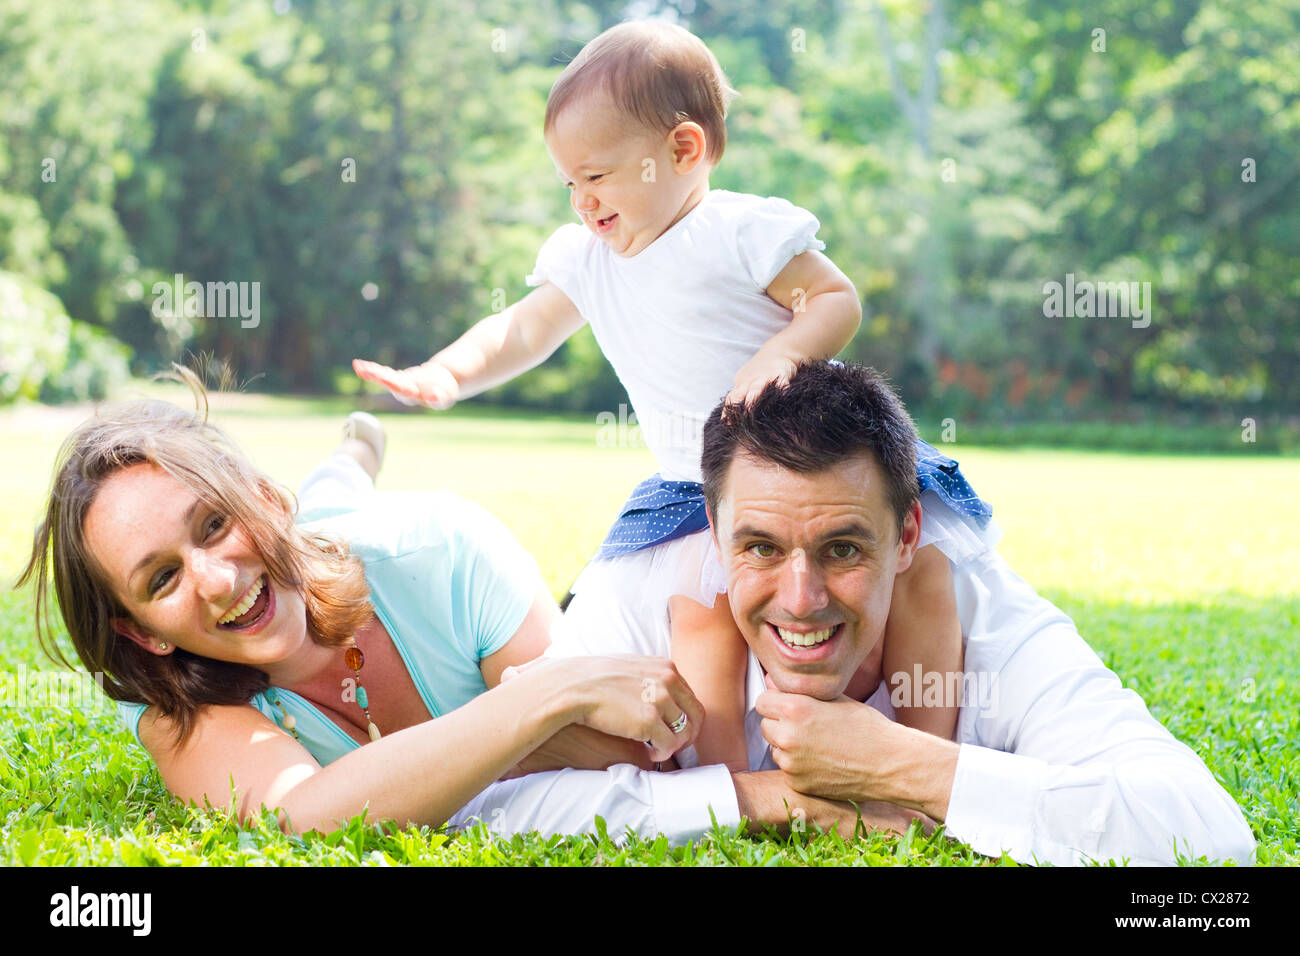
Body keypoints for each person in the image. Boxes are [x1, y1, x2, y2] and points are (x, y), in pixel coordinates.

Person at [351, 19, 979, 770]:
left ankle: (921, 758)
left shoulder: (735, 231)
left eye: (598, 176)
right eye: (569, 184)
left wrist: (783, 352)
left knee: (923, 579)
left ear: (682, 151)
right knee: (703, 625)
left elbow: (836, 300)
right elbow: (519, 332)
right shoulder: (588, 260)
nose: (582, 201)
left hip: (814, 473)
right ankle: (734, 789)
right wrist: (447, 374)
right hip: (695, 487)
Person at [525, 361, 1257, 866]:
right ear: (713, 536)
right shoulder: (644, 592)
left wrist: (902, 765)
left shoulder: (981, 612)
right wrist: (760, 798)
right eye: (761, 548)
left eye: (842, 549)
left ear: (907, 534)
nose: (802, 597)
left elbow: (1208, 836)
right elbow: (487, 800)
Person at [16, 376, 731, 836]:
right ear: (143, 635)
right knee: (318, 515)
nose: (215, 580)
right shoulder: (167, 697)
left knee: (335, 503)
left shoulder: (443, 550)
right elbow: (300, 817)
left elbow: (623, 754)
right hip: (301, 543)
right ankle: (347, 459)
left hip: (337, 541)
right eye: (161, 579)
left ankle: (355, 452)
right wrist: (550, 694)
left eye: (212, 524)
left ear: (261, 496)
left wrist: (416, 772)